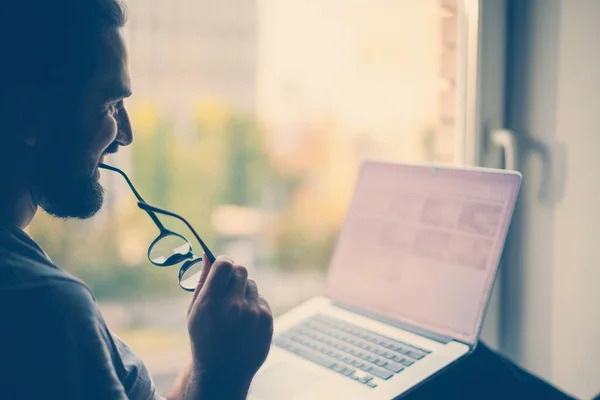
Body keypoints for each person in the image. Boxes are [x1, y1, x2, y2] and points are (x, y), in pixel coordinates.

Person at [0, 0, 587, 399]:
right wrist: (223, 374)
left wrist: (209, 362)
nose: (124, 133)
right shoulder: (46, 310)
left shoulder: (28, 276)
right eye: (107, 105)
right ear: (29, 115)